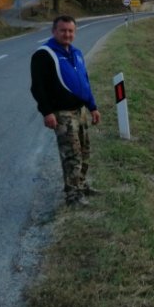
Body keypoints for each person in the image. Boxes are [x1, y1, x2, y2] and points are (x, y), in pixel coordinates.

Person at [30, 15, 101, 207]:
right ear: (54, 31)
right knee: (71, 155)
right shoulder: (43, 55)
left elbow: (84, 83)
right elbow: (38, 87)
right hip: (62, 113)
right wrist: (47, 112)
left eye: (71, 31)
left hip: (80, 111)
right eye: (63, 30)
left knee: (85, 151)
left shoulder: (76, 53)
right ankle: (73, 196)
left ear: (75, 33)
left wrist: (92, 107)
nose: (67, 34)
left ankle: (82, 185)